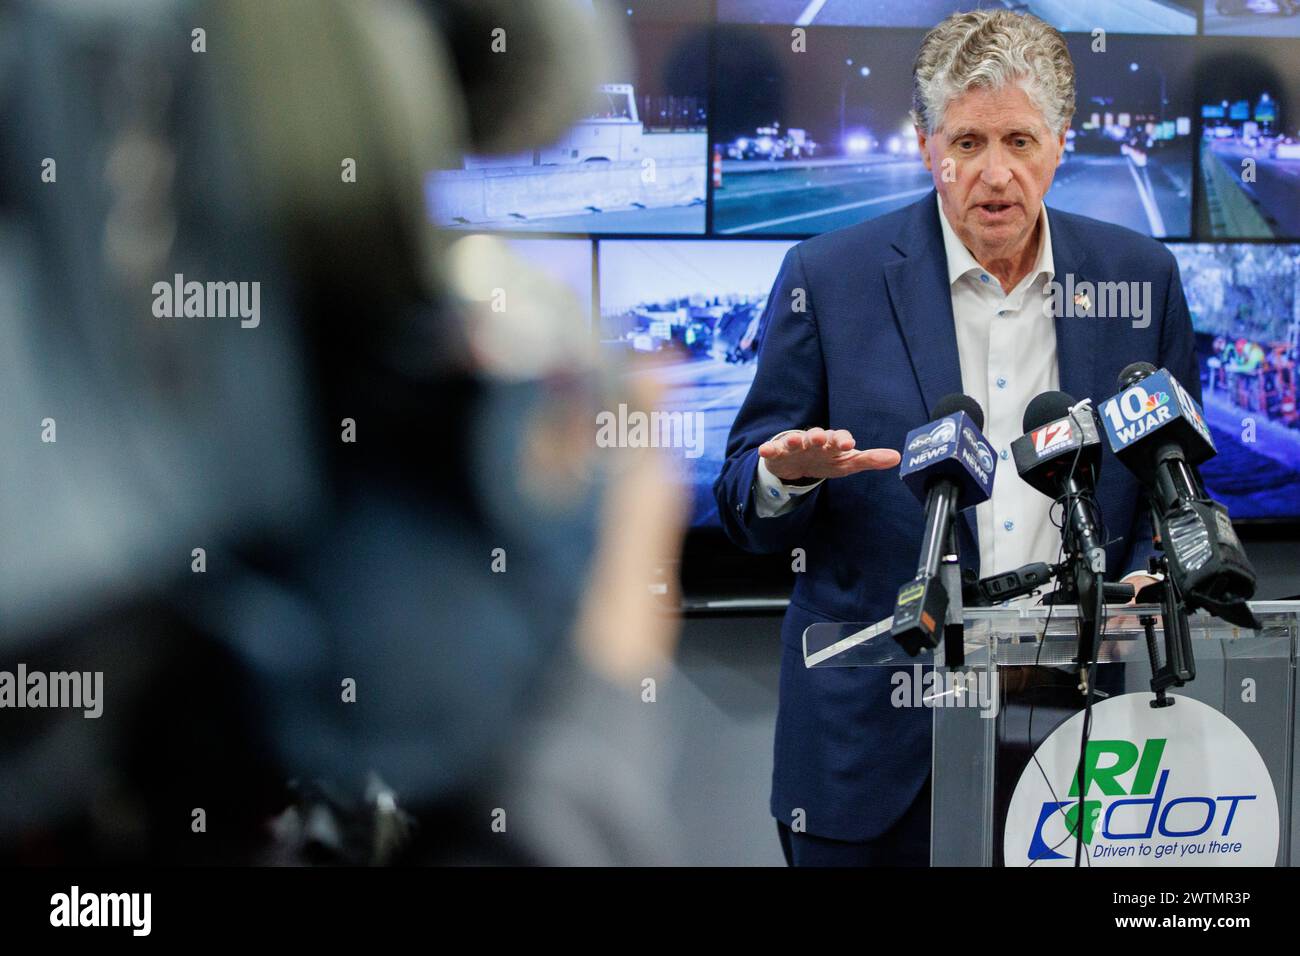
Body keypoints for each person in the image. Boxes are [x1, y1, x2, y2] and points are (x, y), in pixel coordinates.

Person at [714, 9, 1197, 867]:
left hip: (1080, 742)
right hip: (873, 757)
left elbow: (1175, 484)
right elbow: (747, 510)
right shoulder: (828, 278)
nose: (995, 174)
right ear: (924, 141)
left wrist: (1161, 571)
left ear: (1060, 141)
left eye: (1019, 139)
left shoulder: (1142, 280)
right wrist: (782, 478)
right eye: (967, 143)